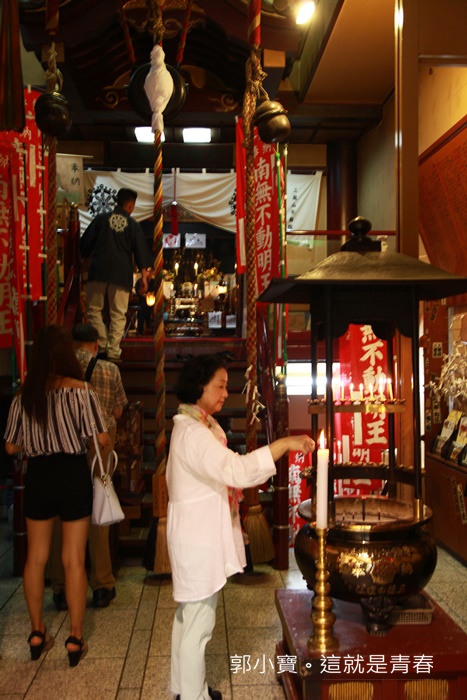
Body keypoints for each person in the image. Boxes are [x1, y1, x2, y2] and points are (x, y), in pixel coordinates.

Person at [166, 354, 315, 700]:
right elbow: (237, 470)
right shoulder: (194, 433)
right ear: (199, 386)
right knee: (198, 623)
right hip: (196, 538)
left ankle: (185, 689)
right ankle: (193, 696)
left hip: (195, 533)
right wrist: (284, 444)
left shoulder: (196, 425)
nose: (224, 393)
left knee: (189, 618)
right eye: (219, 386)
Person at [4, 325, 110, 666]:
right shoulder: (82, 392)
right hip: (72, 474)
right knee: (73, 559)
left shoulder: (25, 396)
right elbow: (102, 439)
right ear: (66, 353)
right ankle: (75, 638)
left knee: (35, 559)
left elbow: (11, 446)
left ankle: (37, 632)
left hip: (39, 476)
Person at [49, 323, 128, 610]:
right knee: (99, 514)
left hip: (64, 448)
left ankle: (61, 588)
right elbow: (118, 410)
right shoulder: (110, 370)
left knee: (62, 517)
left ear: (72, 345)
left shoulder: (57, 373)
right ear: (96, 344)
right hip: (99, 447)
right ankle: (102, 585)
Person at [79, 187, 154, 362]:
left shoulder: (101, 219)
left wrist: (85, 259)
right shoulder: (133, 225)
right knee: (118, 314)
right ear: (130, 206)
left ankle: (103, 343)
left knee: (94, 310)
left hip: (99, 270)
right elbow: (141, 253)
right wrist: (144, 278)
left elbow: (85, 244)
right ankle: (113, 350)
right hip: (121, 274)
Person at [135, 268, 156, 335]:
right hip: (142, 304)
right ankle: (140, 332)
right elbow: (138, 291)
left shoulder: (153, 282)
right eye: (148, 272)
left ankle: (151, 332)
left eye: (151, 272)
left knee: (151, 318)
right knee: (141, 317)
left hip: (152, 305)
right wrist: (145, 295)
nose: (149, 274)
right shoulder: (140, 282)